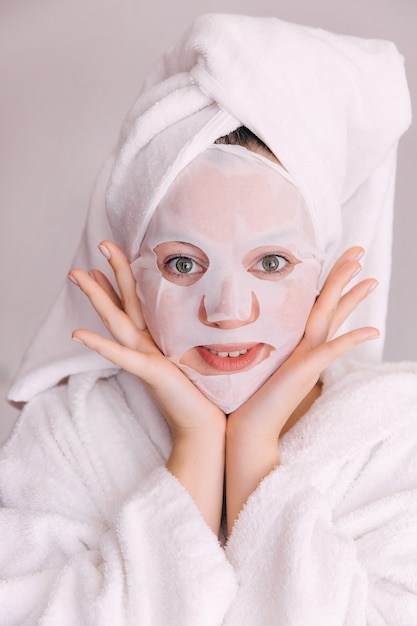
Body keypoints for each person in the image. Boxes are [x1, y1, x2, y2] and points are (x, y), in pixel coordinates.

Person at [1, 13, 417, 626]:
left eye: (271, 262)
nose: (226, 311)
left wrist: (252, 455)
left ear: (329, 273)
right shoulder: (68, 432)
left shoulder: (395, 430)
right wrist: (196, 450)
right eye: (183, 264)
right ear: (129, 276)